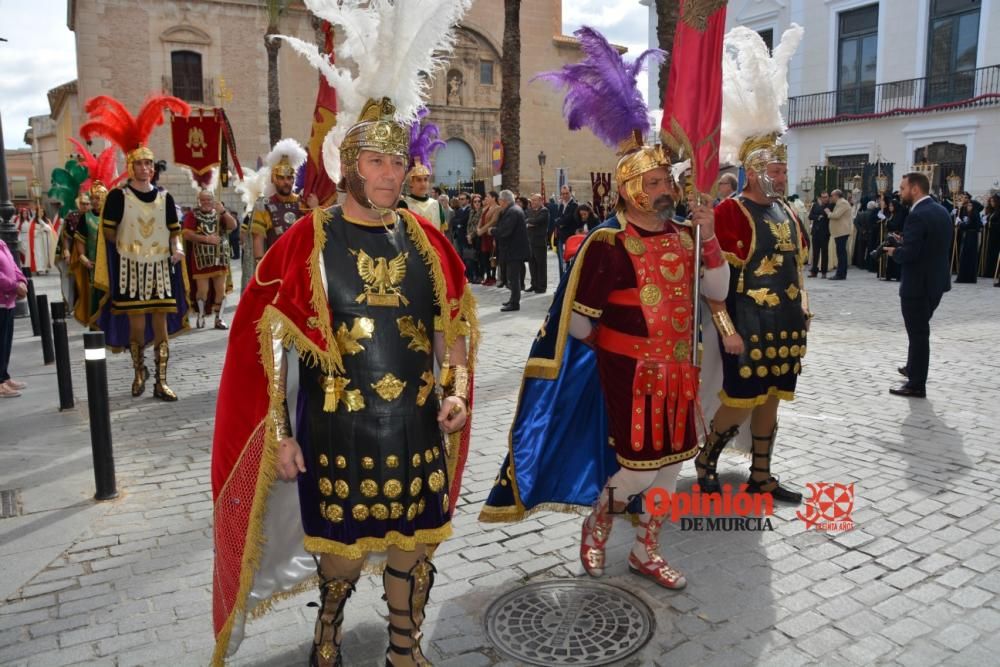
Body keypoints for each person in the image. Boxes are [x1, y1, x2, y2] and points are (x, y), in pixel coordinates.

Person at [211, 2, 478, 664]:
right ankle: (329, 620)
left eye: (399, 162)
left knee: (411, 545)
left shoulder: (429, 239)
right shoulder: (305, 241)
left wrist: (457, 388)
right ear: (350, 164)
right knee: (340, 557)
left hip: (415, 426)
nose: (391, 174)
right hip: (336, 429)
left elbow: (455, 330)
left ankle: (403, 643)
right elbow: (266, 341)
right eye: (378, 163)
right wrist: (279, 435)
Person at [481, 26, 730, 590]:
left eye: (669, 179)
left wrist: (710, 236)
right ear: (632, 188)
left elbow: (716, 290)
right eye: (659, 180)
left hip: (680, 372)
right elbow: (577, 318)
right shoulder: (607, 243)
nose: (669, 188)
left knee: (672, 464)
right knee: (638, 468)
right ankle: (599, 520)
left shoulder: (687, 235)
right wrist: (614, 358)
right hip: (629, 376)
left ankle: (646, 549)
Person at [695, 24, 807, 504]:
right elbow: (713, 283)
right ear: (753, 167)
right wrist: (725, 328)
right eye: (774, 167)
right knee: (739, 400)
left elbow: (795, 267)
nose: (781, 174)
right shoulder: (729, 211)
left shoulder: (786, 210)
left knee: (774, 399)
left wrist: (805, 306)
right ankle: (707, 459)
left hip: (785, 322)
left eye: (783, 166)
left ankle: (762, 474)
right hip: (747, 321)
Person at [80, 94, 191, 401]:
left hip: (160, 270)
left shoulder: (165, 198)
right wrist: (131, 250)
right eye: (139, 163)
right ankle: (139, 371)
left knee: (162, 325)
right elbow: (109, 234)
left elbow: (174, 231)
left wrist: (176, 247)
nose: (145, 168)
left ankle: (162, 380)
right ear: (130, 166)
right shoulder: (117, 197)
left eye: (148, 163)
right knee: (137, 327)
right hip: (130, 270)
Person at [885, 172, 952, 398]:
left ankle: (916, 384)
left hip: (918, 284)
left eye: (903, 188)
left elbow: (911, 254)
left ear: (915, 189)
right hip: (936, 282)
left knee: (918, 334)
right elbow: (930, 245)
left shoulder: (917, 214)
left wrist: (896, 251)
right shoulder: (941, 211)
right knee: (919, 330)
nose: (901, 192)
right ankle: (913, 368)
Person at [250, 139, 308, 273]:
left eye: (289, 178)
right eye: (281, 178)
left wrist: (315, 208)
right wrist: (260, 264)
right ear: (273, 179)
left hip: (300, 265)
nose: (286, 182)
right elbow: (258, 237)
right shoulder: (264, 205)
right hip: (276, 265)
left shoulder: (303, 203)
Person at [182, 187, 236, 328]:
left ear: (213, 200)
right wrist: (206, 239)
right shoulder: (193, 215)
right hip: (201, 258)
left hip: (221, 257)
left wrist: (223, 211)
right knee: (202, 290)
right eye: (203, 200)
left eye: (209, 199)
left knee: (221, 289)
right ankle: (201, 314)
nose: (206, 202)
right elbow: (186, 234)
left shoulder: (219, 213)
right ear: (198, 201)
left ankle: (219, 318)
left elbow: (233, 226)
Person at [402, 110, 447, 232]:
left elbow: (441, 235)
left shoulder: (436, 206)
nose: (423, 183)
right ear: (411, 182)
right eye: (419, 180)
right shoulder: (403, 205)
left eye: (426, 180)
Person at [0, 239, 28, 398]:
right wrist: (14, 286)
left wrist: (22, 281)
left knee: (5, 343)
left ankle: (4, 377)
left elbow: (13, 266)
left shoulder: (2, 242)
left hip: (8, 301)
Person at [492, 190, 529, 311]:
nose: (499, 204)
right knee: (512, 277)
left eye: (500, 201)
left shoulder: (513, 212)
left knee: (514, 278)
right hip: (512, 250)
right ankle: (513, 299)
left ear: (505, 201)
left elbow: (505, 231)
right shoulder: (512, 210)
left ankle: (515, 303)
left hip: (514, 250)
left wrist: (492, 231)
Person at [19, 204, 57, 275]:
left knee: (45, 254)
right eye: (39, 212)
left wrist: (41, 222)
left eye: (42, 212)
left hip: (45, 240)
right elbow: (31, 233)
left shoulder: (47, 220)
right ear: (37, 213)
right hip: (37, 241)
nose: (41, 213)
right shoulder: (33, 222)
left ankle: (45, 267)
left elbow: (49, 229)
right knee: (38, 254)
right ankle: (39, 269)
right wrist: (40, 230)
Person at [525, 193, 550, 293]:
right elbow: (526, 220)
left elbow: (537, 221)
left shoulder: (544, 211)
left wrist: (530, 222)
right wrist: (529, 222)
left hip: (539, 242)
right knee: (532, 265)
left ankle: (542, 286)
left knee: (541, 265)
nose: (533, 202)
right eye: (532, 200)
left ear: (540, 201)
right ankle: (534, 284)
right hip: (530, 241)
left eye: (535, 200)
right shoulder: (529, 211)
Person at [955, 197, 983, 284]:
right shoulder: (968, 214)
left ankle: (968, 277)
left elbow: (970, 225)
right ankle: (964, 276)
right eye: (968, 205)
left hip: (971, 237)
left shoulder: (974, 214)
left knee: (969, 256)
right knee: (964, 256)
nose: (968, 207)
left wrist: (960, 224)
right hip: (967, 236)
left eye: (970, 205)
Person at [826, 189, 852, 280]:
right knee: (840, 253)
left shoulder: (843, 203)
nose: (831, 197)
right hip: (839, 232)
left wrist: (828, 213)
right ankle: (841, 273)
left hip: (842, 231)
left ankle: (840, 274)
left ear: (837, 196)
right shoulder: (840, 203)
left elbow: (836, 215)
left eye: (832, 195)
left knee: (841, 254)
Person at [554, 184, 579, 277]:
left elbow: (568, 220)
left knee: (568, 263)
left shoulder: (574, 205)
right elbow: (557, 219)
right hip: (561, 237)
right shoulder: (561, 205)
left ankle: (567, 288)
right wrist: (560, 222)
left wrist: (560, 222)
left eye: (566, 193)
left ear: (571, 193)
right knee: (561, 263)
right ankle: (561, 287)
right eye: (562, 194)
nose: (564, 196)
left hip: (569, 238)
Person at [477, 191, 500, 285]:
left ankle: (493, 277)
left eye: (488, 197)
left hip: (491, 235)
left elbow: (493, 221)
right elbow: (480, 220)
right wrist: (478, 229)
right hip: (484, 236)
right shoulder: (485, 208)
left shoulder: (497, 208)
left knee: (492, 256)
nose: (486, 198)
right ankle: (488, 276)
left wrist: (481, 230)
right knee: (484, 257)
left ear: (494, 198)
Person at [808, 191, 830, 277]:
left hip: (825, 232)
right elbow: (810, 216)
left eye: (826, 197)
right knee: (815, 252)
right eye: (823, 197)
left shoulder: (830, 205)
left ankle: (824, 272)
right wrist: (818, 217)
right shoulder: (815, 205)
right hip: (815, 232)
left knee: (824, 252)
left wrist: (820, 214)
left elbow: (827, 215)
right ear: (820, 198)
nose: (825, 199)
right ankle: (814, 271)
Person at [983, 194, 1000, 285]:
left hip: (996, 237)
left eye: (994, 201)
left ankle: (993, 272)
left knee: (994, 254)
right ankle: (988, 271)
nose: (992, 203)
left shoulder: (998, 212)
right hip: (991, 236)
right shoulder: (993, 211)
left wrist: (989, 225)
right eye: (991, 201)